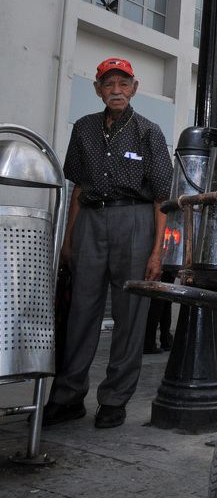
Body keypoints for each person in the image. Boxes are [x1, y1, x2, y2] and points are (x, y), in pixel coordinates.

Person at [43, 57, 172, 429]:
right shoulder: (84, 128)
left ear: (134, 88)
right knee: (80, 311)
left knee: (130, 314)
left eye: (123, 83)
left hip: (134, 221)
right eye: (109, 84)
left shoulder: (149, 131)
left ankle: (114, 400)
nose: (117, 90)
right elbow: (78, 187)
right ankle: (68, 396)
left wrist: (157, 251)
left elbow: (162, 196)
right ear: (98, 89)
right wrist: (68, 238)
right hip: (90, 220)